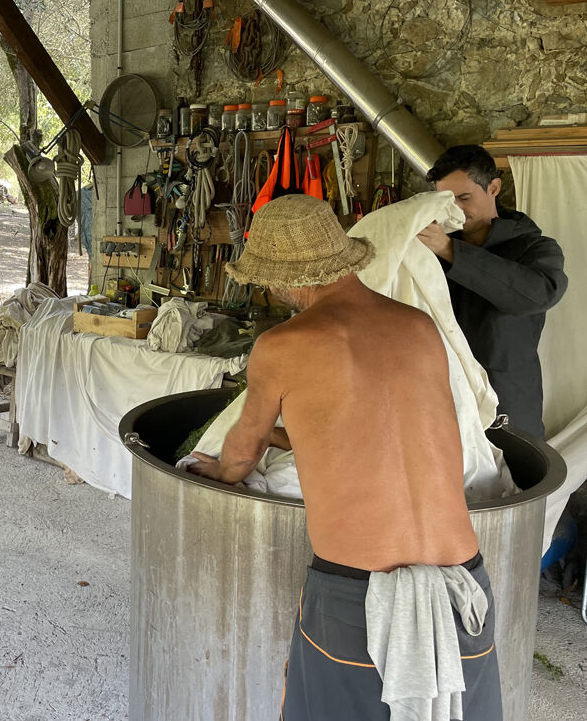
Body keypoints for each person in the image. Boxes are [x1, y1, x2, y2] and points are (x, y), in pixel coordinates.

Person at [189, 195, 501, 720]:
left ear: (290, 280)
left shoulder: (284, 345)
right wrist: (292, 440)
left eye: (266, 281)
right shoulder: (419, 329)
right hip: (462, 585)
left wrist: (220, 469)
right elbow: (401, 433)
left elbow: (241, 454)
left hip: (357, 595)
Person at [420, 144, 567, 438]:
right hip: (442, 396)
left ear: (494, 187)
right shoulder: (428, 248)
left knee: (518, 481)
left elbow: (537, 295)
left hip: (508, 402)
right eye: (445, 200)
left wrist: (451, 251)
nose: (455, 209)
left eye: (464, 197)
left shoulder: (534, 247)